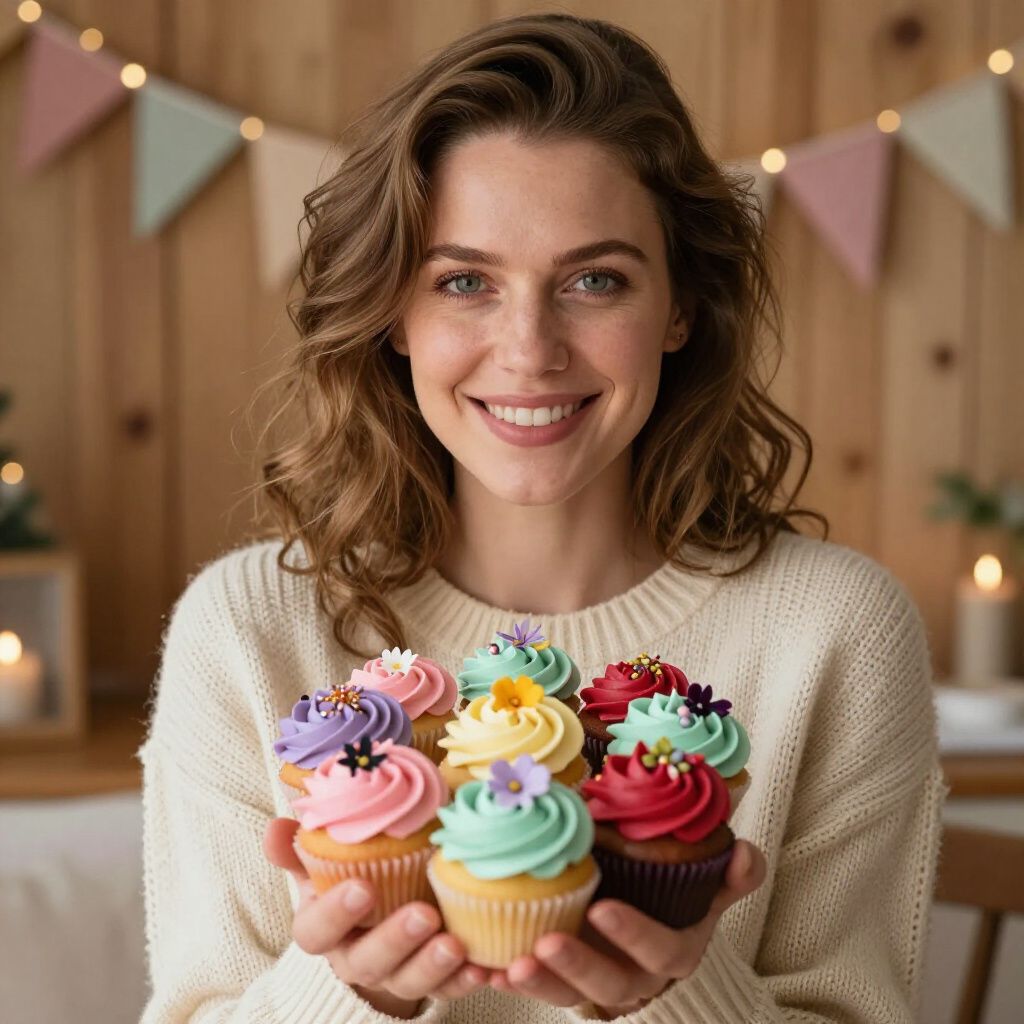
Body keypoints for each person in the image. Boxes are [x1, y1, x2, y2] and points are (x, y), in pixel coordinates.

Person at [138, 12, 946, 1023]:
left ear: (680, 307)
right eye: (464, 281)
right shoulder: (251, 629)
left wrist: (676, 996)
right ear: (394, 311)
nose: (529, 350)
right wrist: (352, 993)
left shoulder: (834, 631)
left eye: (593, 280)